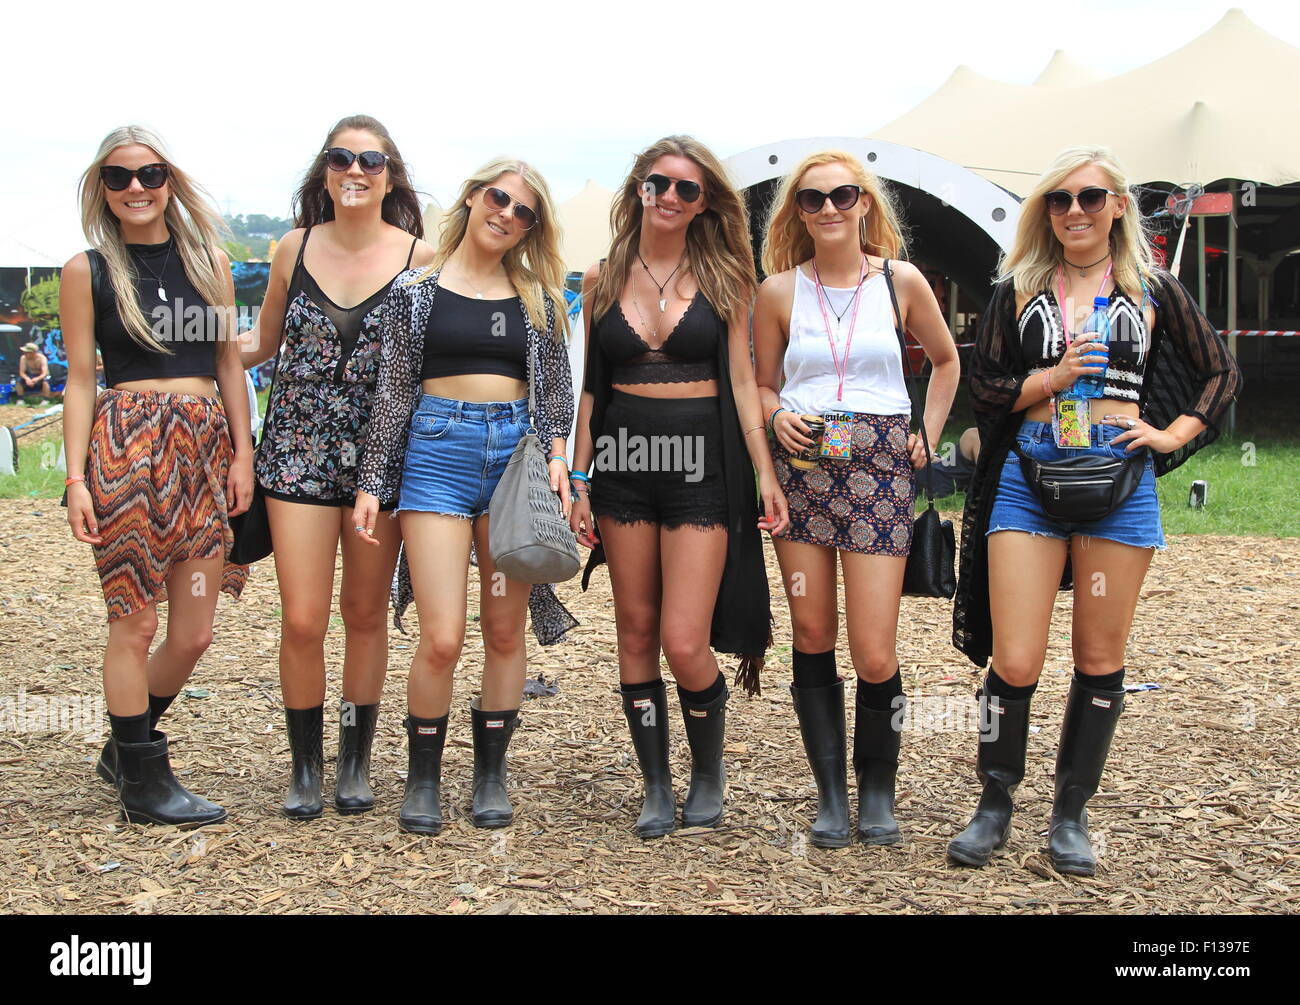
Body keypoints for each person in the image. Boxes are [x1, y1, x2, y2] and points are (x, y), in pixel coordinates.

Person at [949, 146, 1242, 875]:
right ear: (1044, 211)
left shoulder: (1154, 289)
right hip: (1029, 475)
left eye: (1090, 197)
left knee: (1100, 657)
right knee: (1014, 658)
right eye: (1059, 200)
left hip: (1120, 480)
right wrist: (1050, 376)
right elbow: (984, 388)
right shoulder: (1017, 288)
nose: (1074, 211)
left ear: (1118, 206)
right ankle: (993, 803)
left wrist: (1174, 432)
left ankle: (1071, 812)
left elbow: (1220, 370)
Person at [568, 136, 787, 840]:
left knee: (683, 638)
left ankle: (709, 771)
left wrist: (766, 476)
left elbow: (748, 386)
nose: (669, 196)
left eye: (686, 189)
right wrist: (578, 478)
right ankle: (656, 783)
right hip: (624, 466)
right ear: (639, 188)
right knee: (634, 630)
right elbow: (589, 393)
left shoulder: (726, 276)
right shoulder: (603, 276)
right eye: (658, 183)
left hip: (702, 467)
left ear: (703, 204)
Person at [352, 158, 574, 836]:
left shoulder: (539, 296)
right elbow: (392, 389)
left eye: (523, 211)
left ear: (532, 227)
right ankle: (423, 778)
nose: (506, 214)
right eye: (498, 198)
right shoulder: (415, 291)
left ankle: (490, 775)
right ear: (475, 198)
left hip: (512, 460)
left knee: (505, 629)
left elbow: (557, 390)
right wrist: (371, 481)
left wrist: (559, 458)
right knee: (442, 636)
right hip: (436, 456)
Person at [754, 150, 960, 847]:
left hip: (878, 465)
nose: (830, 208)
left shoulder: (900, 281)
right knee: (812, 633)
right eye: (813, 200)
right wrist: (775, 411)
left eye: (843, 195)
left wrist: (927, 433)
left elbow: (947, 358)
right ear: (798, 213)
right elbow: (759, 381)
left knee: (875, 649)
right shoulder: (779, 290)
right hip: (804, 462)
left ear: (866, 203)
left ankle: (878, 787)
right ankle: (832, 795)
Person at [240, 115, 434, 819]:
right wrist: (174, 367)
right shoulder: (292, 246)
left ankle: (354, 761)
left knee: (364, 611)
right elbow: (260, 344)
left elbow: (432, 366)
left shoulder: (422, 256)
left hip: (380, 457)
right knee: (301, 617)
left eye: (371, 160)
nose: (356, 170)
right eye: (341, 158)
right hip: (296, 447)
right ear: (325, 171)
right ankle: (303, 768)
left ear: (391, 175)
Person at [60, 125, 253, 826]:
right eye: (118, 177)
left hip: (203, 450)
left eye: (148, 174)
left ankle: (124, 743)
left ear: (169, 181)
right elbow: (81, 379)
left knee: (194, 630)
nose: (135, 188)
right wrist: (76, 478)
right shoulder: (89, 270)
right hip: (126, 449)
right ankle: (144, 780)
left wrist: (242, 453)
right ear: (102, 188)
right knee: (135, 622)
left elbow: (229, 362)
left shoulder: (210, 262)